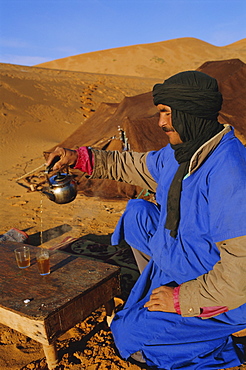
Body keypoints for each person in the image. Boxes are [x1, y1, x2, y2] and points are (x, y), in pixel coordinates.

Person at [46, 71, 246, 369]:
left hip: (224, 291)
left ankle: (229, 337)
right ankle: (160, 293)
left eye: (167, 113)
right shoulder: (182, 151)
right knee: (137, 213)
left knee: (127, 337)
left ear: (189, 112)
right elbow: (136, 165)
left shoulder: (229, 172)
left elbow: (240, 273)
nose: (161, 123)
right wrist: (80, 158)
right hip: (186, 257)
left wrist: (180, 299)